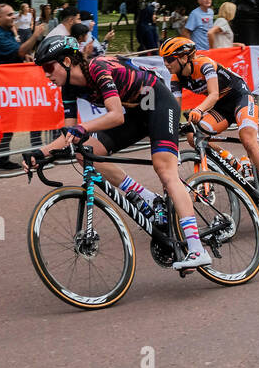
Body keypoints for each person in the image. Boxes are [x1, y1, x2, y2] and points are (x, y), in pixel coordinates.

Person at [25, 35, 213, 270]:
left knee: (165, 170)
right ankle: (148, 199)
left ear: (65, 61)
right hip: (136, 112)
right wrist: (40, 153)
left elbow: (115, 115)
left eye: (48, 67)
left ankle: (197, 248)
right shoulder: (68, 88)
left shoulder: (97, 68)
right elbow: (68, 133)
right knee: (86, 153)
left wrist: (84, 128)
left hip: (158, 103)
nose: (46, 74)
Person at [160, 37, 259, 215]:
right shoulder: (175, 78)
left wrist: (198, 110)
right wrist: (166, 125)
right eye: (163, 59)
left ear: (183, 57)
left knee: (247, 139)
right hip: (222, 108)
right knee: (194, 137)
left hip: (240, 97)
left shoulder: (204, 64)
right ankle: (234, 163)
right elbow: (175, 106)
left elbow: (213, 94)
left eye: (169, 59)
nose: (165, 63)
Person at [0, 3, 49, 169]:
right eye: (9, 15)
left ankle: (2, 158)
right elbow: (17, 51)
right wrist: (34, 36)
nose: (13, 17)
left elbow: (17, 53)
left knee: (8, 124)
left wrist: (24, 57)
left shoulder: (7, 33)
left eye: (13, 14)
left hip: (11, 85)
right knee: (3, 124)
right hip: (1, 87)